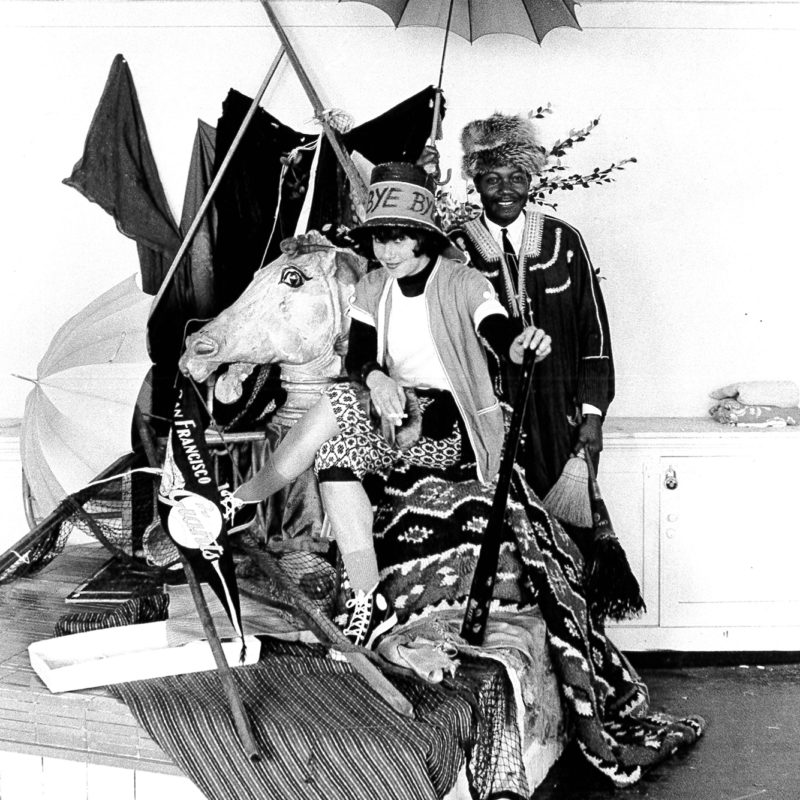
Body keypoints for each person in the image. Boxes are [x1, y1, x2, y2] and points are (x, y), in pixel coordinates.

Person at [233, 162, 551, 646]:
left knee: (336, 396)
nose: (389, 251)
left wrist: (519, 344)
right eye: (381, 240)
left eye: (401, 239)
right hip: (390, 414)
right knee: (334, 455)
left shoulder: (465, 283)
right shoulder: (372, 286)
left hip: (449, 425)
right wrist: (379, 379)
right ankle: (366, 600)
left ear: (424, 238)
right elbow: (359, 355)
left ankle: (242, 500)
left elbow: (496, 329)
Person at [449, 112, 615, 505]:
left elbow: (595, 330)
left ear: (530, 180)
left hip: (562, 413)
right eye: (493, 179)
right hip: (487, 413)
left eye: (517, 178)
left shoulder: (564, 240)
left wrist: (593, 412)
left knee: (568, 527)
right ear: (476, 185)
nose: (506, 190)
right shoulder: (456, 248)